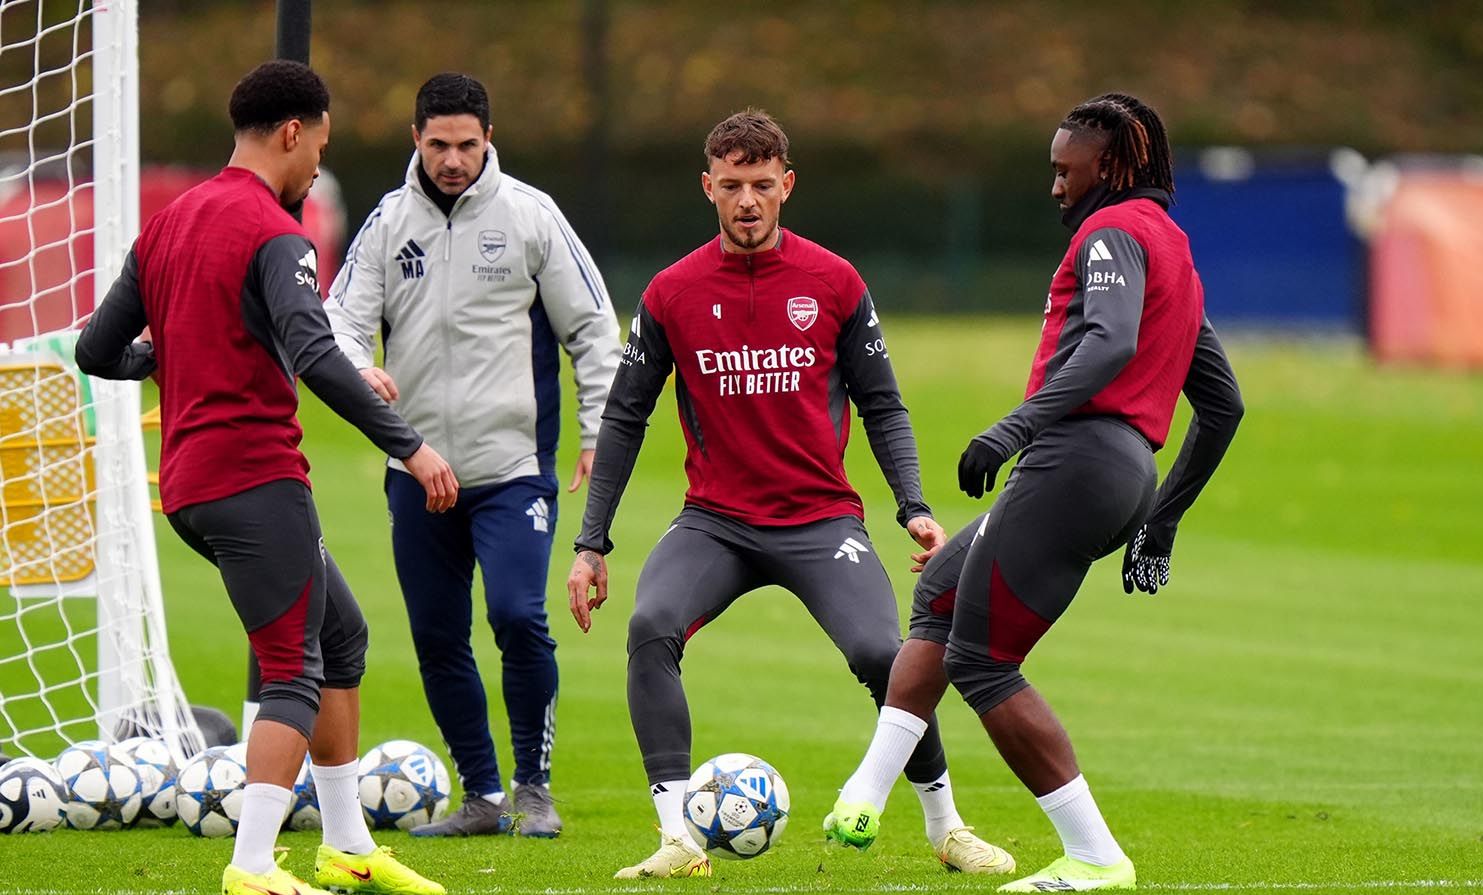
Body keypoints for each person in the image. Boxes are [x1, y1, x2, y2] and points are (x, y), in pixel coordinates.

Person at [566, 109, 1014, 880]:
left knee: (885, 653)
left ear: (787, 186)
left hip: (820, 521)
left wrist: (913, 505)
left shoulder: (835, 281)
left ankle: (947, 827)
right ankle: (678, 839)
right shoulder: (671, 293)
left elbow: (883, 403)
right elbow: (625, 415)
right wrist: (589, 543)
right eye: (731, 185)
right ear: (708, 187)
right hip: (714, 523)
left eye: (762, 184)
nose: (747, 200)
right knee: (650, 624)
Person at [825, 93, 1243, 893]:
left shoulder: (1110, 231)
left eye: (1064, 170)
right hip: (1122, 474)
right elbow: (1223, 406)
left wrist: (1012, 429)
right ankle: (865, 797)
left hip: (1075, 463)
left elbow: (1109, 341)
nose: (1055, 186)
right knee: (942, 594)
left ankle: (1094, 854)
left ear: (1109, 167)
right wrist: (1159, 523)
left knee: (983, 662)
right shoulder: (1175, 253)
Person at [75, 60, 452, 895]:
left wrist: (161, 358)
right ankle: (250, 864)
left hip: (190, 485)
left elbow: (96, 349)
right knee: (292, 669)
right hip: (254, 479)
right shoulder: (277, 231)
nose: (318, 162)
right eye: (320, 145)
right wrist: (410, 446)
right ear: (291, 133)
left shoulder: (169, 224)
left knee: (342, 636)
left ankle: (346, 844)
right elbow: (315, 353)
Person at [326, 72, 619, 839]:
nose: (452, 159)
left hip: (512, 468)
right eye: (438, 145)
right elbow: (338, 323)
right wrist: (359, 367)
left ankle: (534, 787)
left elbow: (593, 328)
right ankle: (482, 795)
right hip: (416, 470)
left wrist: (598, 431)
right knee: (436, 635)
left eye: (466, 144)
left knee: (518, 615)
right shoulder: (388, 223)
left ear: (489, 139)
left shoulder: (530, 216)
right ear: (415, 141)